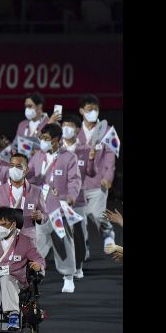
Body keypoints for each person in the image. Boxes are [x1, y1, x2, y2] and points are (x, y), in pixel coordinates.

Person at [28, 124, 81, 293]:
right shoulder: (37, 156)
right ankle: (35, 274)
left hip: (59, 207)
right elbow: (29, 176)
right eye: (41, 138)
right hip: (40, 208)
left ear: (56, 140)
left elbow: (74, 180)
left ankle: (68, 277)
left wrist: (71, 196)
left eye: (46, 139)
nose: (42, 142)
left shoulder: (69, 157)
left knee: (63, 242)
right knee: (36, 243)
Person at [0, 207, 45, 331]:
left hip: (16, 281)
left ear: (13, 224)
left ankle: (13, 315)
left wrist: (39, 265)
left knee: (6, 279)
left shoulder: (25, 242)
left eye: (4, 224)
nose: (0, 227)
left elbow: (39, 259)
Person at [75, 94, 117, 252]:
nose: (93, 112)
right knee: (79, 219)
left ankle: (108, 236)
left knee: (97, 214)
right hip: (77, 185)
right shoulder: (74, 132)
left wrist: (108, 177)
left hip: (98, 183)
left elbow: (110, 157)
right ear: (81, 111)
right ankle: (83, 246)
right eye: (89, 109)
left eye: (95, 109)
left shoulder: (108, 131)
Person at [61, 113, 99, 279]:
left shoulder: (84, 149)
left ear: (77, 129)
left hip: (78, 200)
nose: (66, 129)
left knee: (79, 236)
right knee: (63, 237)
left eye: (70, 126)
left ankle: (78, 266)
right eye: (64, 125)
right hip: (59, 200)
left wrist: (91, 159)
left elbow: (91, 173)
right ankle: (68, 267)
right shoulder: (57, 150)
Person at [0, 154, 45, 242]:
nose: (14, 169)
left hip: (27, 240)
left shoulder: (36, 191)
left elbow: (45, 214)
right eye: (11, 166)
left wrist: (41, 216)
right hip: (3, 239)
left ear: (26, 170)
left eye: (18, 166)